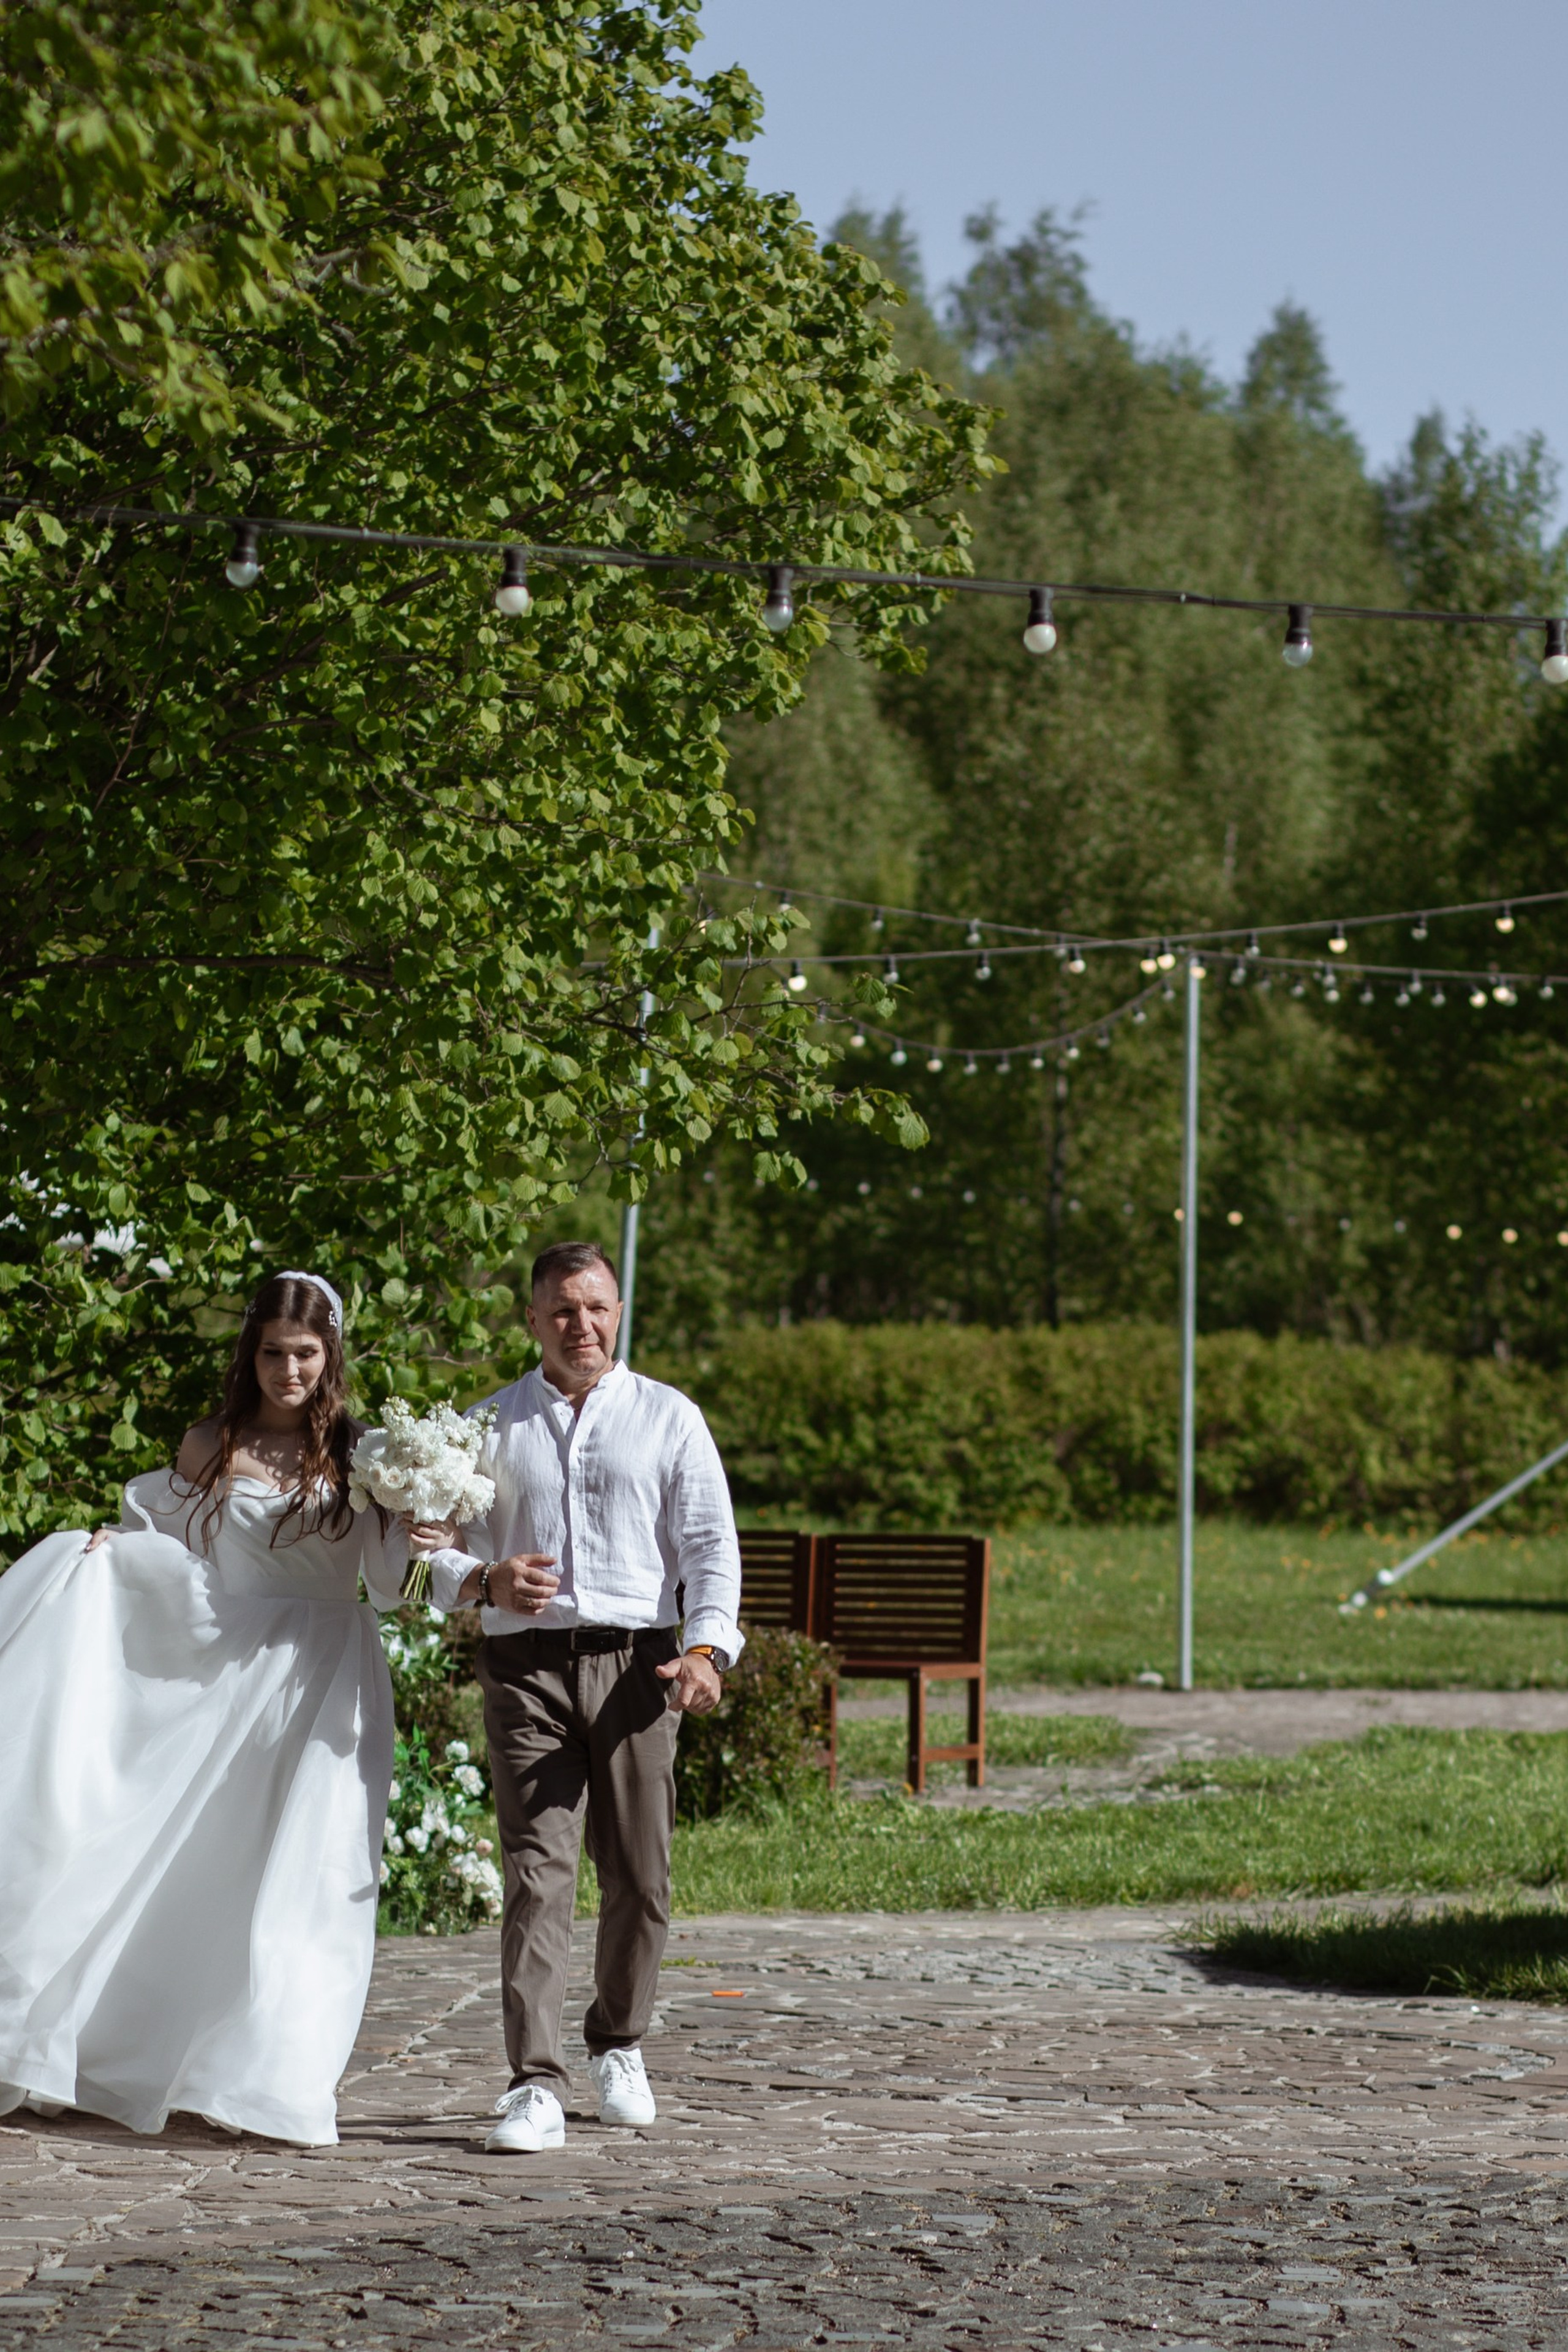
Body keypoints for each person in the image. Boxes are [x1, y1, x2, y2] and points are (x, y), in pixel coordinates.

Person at [0, 1271, 411, 2145]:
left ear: (330, 1355)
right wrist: (113, 1557)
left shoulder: (365, 1454)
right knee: (207, 1871)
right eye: (272, 1352)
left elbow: (386, 1589)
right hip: (229, 1676)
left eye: (305, 1354)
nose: (288, 1371)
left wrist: (426, 1531)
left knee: (311, 1877)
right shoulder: (210, 1445)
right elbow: (182, 1562)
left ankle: (274, 2077)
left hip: (332, 1673)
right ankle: (149, 2049)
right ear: (250, 1354)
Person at [421, 1239, 743, 2153]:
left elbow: (711, 1549)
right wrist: (484, 1579)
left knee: (640, 1877)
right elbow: (428, 1554)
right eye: (563, 1309)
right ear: (532, 1320)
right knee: (537, 1875)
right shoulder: (486, 1428)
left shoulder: (670, 1419)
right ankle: (534, 2083)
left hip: (641, 1667)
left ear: (618, 1312)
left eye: (597, 1307)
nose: (582, 1324)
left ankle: (619, 2041)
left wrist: (708, 1651)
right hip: (525, 1669)